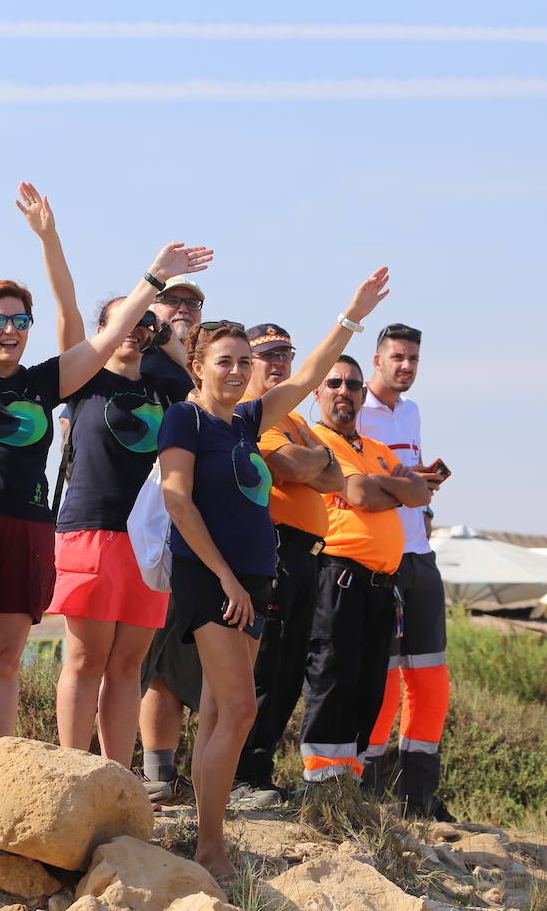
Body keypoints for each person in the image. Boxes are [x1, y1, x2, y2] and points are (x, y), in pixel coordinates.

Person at [0, 183, 213, 801]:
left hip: (41, 526)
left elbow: (175, 367)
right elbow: (72, 310)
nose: (11, 330)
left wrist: (161, 299)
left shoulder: (55, 381)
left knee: (9, 659)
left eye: (19, 321)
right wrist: (51, 238)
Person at [158, 268, 392, 878]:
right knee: (239, 713)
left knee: (217, 715)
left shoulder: (245, 420)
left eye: (243, 362)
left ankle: (207, 836)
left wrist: (351, 316)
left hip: (257, 580)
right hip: (213, 581)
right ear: (197, 367)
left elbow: (310, 374)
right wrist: (227, 580)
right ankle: (210, 847)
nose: (236, 371)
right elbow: (177, 499)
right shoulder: (187, 420)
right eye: (224, 362)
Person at [47, 269, 207, 773]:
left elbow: (197, 377)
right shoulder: (84, 376)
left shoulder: (164, 387)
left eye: (144, 324)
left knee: (126, 665)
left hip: (147, 540)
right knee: (86, 659)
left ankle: (114, 775)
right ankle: (73, 770)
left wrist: (160, 331)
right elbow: (66, 307)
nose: (135, 330)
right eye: (125, 321)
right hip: (90, 529)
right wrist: (49, 238)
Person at [299, 355, 433, 789]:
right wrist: (392, 487)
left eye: (353, 385)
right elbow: (359, 492)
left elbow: (418, 492)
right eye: (334, 383)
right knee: (333, 676)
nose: (344, 391)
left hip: (381, 584)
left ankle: (348, 781)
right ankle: (322, 780)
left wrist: (388, 487)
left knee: (369, 683)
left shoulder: (374, 449)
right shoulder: (318, 441)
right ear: (317, 392)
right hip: (339, 575)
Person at [229, 324, 343, 807]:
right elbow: (297, 470)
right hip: (273, 548)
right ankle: (238, 777)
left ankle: (259, 772)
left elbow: (333, 478)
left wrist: (315, 458)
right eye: (267, 354)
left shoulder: (295, 421)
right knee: (264, 666)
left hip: (307, 556)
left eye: (284, 354)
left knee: (289, 671)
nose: (277, 363)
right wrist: (317, 459)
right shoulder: (255, 416)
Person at [358, 323, 453, 820]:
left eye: (413, 358)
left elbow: (404, 480)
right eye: (397, 357)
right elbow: (357, 483)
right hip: (382, 558)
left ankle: (420, 795)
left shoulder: (410, 411)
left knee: (432, 678)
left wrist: (424, 498)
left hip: (420, 556)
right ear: (377, 359)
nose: (406, 366)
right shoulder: (356, 408)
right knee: (386, 679)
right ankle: (369, 789)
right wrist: (405, 485)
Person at [137, 275, 209, 803]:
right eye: (173, 301)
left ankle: (161, 772)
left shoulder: (198, 369)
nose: (183, 309)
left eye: (193, 303)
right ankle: (134, 769)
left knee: (175, 658)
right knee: (133, 657)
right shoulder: (137, 353)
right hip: (127, 519)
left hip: (179, 524)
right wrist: (162, 336)